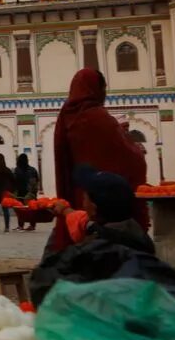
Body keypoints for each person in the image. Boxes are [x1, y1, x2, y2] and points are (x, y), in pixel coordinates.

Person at [52, 67, 148, 251]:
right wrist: (131, 143)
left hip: (79, 195)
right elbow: (131, 158)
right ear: (97, 89)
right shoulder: (99, 118)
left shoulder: (67, 115)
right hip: (105, 202)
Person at [50, 165, 155, 255]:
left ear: (94, 209)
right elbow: (84, 222)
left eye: (84, 198)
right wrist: (65, 210)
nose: (83, 204)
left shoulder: (92, 251)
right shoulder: (138, 236)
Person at [12, 153, 41, 231]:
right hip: (31, 193)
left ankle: (20, 225)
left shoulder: (17, 170)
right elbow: (36, 180)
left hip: (20, 193)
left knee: (20, 210)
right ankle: (32, 225)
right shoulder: (32, 169)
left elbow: (14, 181)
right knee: (31, 209)